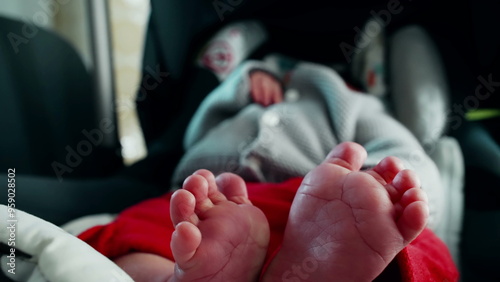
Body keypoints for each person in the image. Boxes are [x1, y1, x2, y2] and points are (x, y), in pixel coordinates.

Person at [78, 63, 458, 281]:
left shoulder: (357, 104)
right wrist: (240, 84)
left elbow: (406, 152)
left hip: (318, 205)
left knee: (398, 237)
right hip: (209, 208)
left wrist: (378, 187)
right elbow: (195, 134)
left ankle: (330, 258)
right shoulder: (243, 100)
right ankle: (174, 277)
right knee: (137, 232)